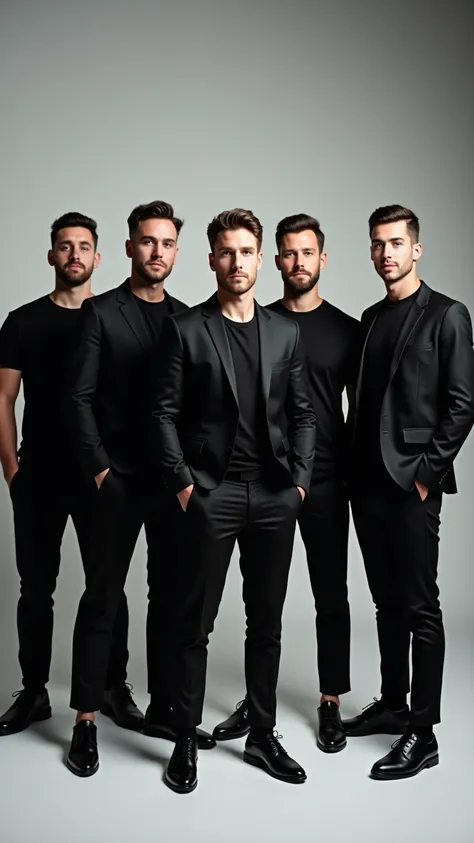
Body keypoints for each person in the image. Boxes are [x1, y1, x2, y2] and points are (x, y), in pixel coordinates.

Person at [151, 208, 316, 793]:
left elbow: (303, 414)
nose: (237, 262)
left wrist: (299, 482)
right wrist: (184, 483)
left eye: (247, 251)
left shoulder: (285, 331)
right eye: (227, 252)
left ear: (258, 257)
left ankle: (262, 736)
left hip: (273, 496)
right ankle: (184, 738)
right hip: (212, 494)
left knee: (265, 622)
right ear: (213, 259)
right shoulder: (188, 329)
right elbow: (163, 413)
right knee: (194, 621)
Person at [65, 200, 214, 779]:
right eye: (148, 241)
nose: (158, 252)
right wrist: (100, 468)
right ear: (129, 247)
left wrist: (187, 474)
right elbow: (74, 398)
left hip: (171, 484)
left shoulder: (187, 316)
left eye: (168, 243)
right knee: (102, 597)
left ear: (178, 251)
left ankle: (164, 710)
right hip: (118, 480)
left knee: (169, 600)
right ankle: (84, 720)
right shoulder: (101, 313)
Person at [214, 213, 358, 753]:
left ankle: (330, 702)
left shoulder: (348, 330)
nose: (297, 263)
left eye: (307, 253)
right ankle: (258, 704)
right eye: (288, 253)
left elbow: (364, 412)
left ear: (323, 259)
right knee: (261, 604)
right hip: (267, 483)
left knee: (330, 593)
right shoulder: (258, 320)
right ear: (274, 260)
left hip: (324, 481)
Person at [344, 204, 474, 780]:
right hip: (366, 484)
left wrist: (426, 475)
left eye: (396, 243)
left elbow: (463, 403)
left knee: (421, 607)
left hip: (413, 486)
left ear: (415, 249)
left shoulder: (447, 315)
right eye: (378, 244)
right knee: (386, 603)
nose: (386, 253)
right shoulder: (370, 318)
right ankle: (394, 703)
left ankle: (423, 734)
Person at [0, 212, 132, 738]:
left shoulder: (114, 318)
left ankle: (113, 688)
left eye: (83, 247)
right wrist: (12, 470)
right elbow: (4, 399)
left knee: (109, 587)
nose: (74, 254)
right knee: (36, 588)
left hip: (101, 477)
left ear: (98, 257)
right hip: (39, 476)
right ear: (51, 256)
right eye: (64, 246)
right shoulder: (23, 321)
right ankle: (33, 692)